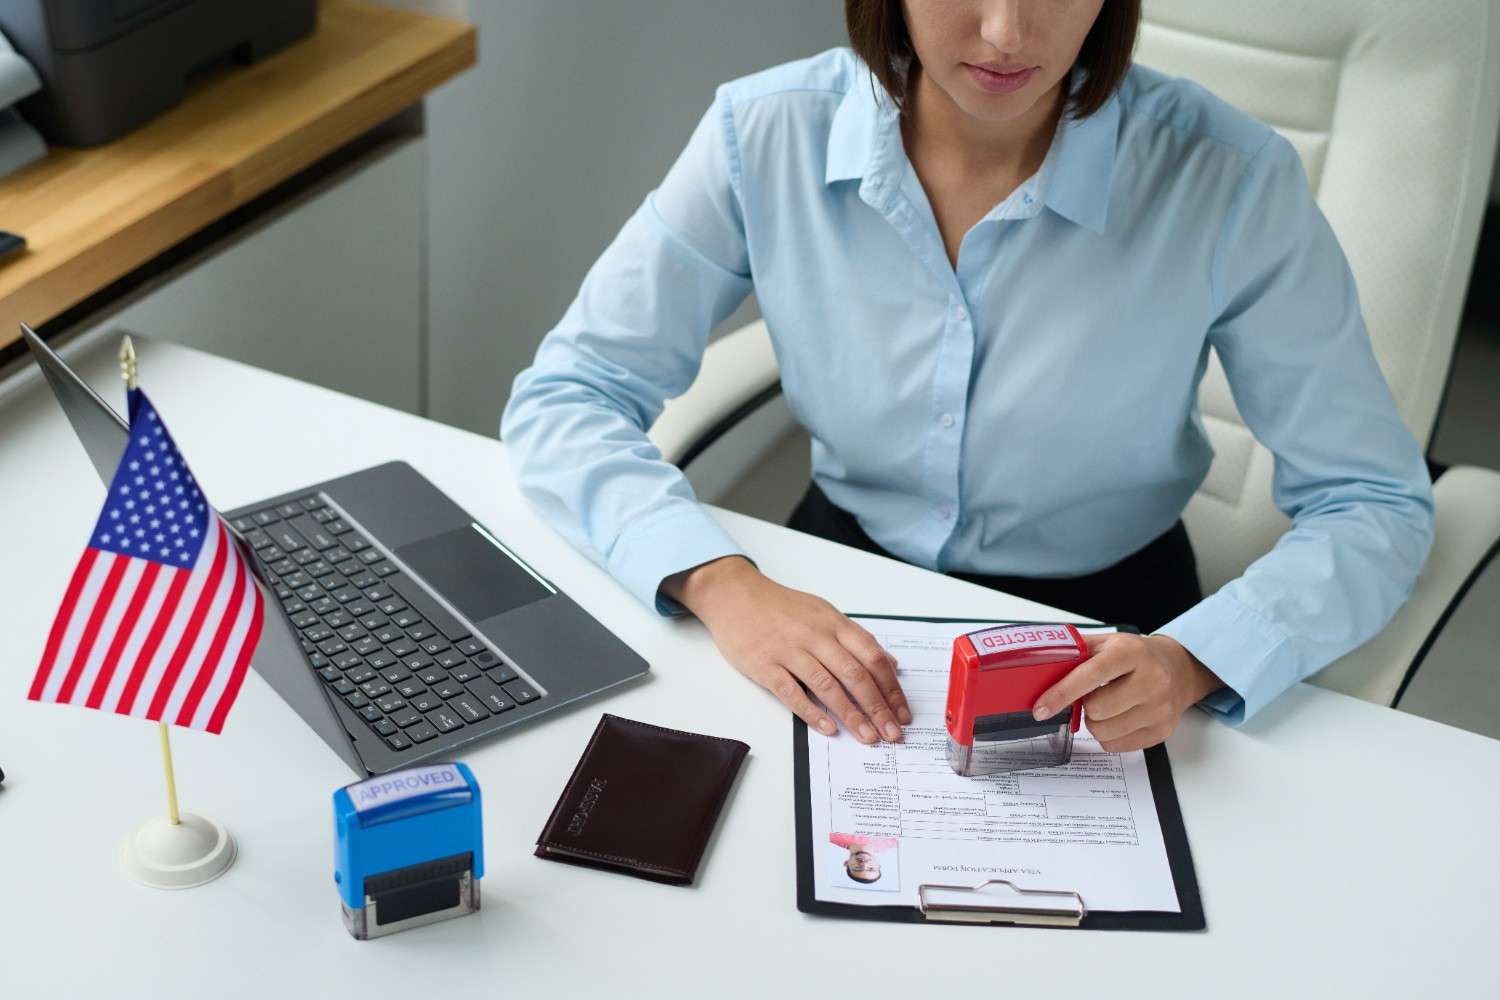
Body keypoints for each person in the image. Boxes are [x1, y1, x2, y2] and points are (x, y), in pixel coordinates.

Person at [501, 1, 1433, 753]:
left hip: (1112, 630)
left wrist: (1197, 659)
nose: (1005, 33)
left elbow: (1375, 500)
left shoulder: (1228, 179)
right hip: (826, 585)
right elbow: (569, 393)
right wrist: (719, 582)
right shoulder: (766, 132)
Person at [829, 832, 898, 884]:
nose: (864, 864)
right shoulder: (895, 841)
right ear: (878, 865)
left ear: (846, 863)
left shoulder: (830, 836)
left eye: (858, 868)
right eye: (871, 868)